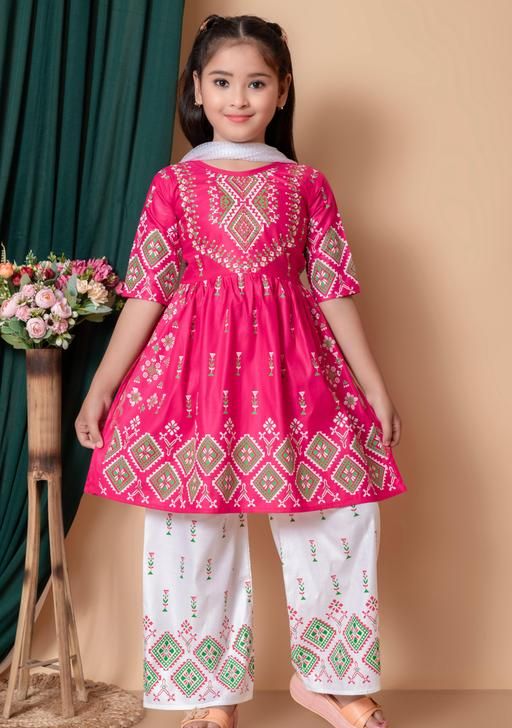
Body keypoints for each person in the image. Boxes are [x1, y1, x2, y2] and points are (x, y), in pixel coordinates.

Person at [76, 13, 408, 728]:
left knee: (339, 515)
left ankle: (328, 680)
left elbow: (333, 289)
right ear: (196, 88)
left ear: (282, 91)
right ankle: (209, 694)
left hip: (296, 375)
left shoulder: (307, 185)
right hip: (193, 380)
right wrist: (103, 386)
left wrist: (375, 387)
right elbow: (148, 290)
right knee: (191, 530)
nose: (238, 97)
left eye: (256, 83)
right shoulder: (173, 184)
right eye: (222, 82)